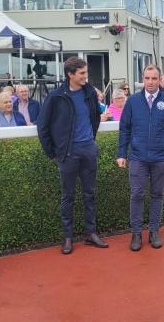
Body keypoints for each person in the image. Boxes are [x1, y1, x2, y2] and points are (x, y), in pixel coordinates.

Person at [37, 57, 106, 254]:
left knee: (90, 194)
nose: (86, 77)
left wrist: (90, 142)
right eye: (82, 73)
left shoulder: (90, 93)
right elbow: (43, 127)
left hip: (88, 150)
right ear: (70, 74)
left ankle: (91, 233)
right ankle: (67, 238)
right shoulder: (56, 96)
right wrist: (53, 152)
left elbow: (95, 118)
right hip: (67, 154)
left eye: (86, 73)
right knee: (68, 197)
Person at [117, 65, 164, 251]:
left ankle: (154, 231)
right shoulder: (133, 101)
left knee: (157, 194)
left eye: (154, 78)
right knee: (137, 194)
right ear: (142, 79)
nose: (151, 82)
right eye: (147, 78)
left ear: (159, 79)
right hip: (137, 157)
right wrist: (122, 153)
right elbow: (125, 129)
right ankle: (136, 233)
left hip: (160, 157)